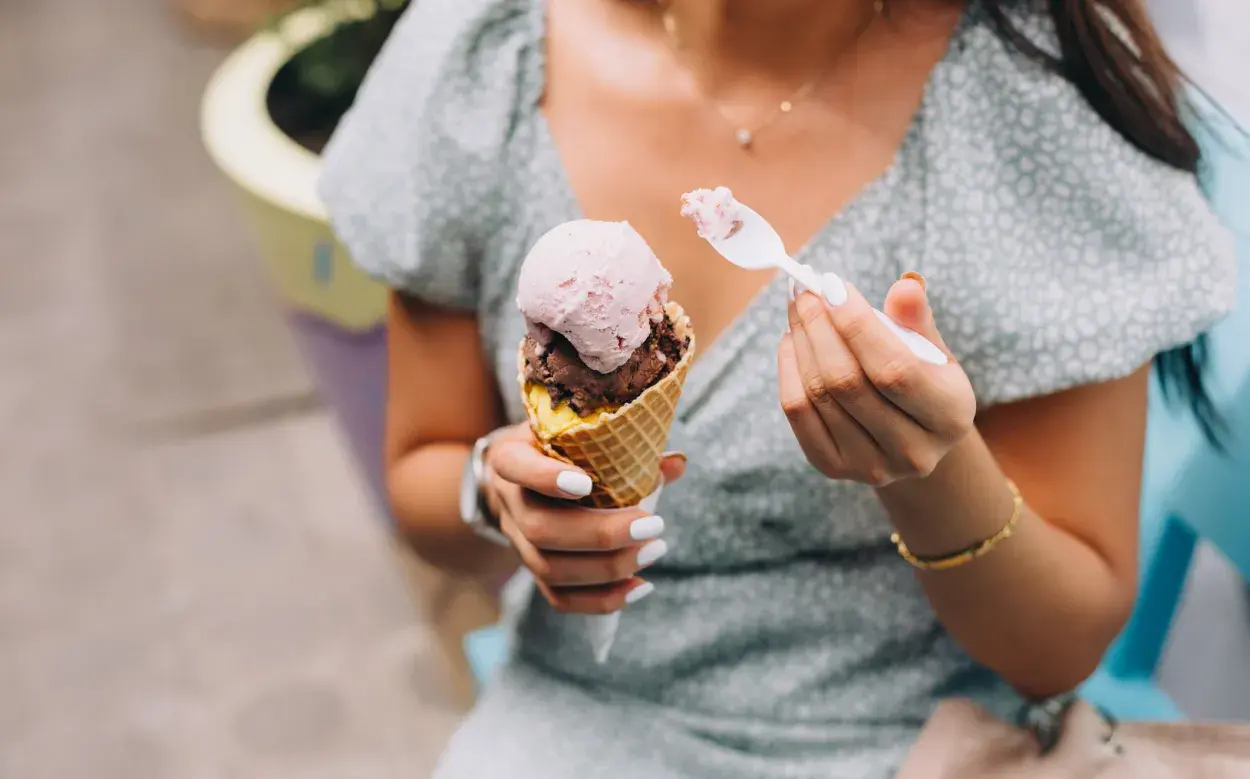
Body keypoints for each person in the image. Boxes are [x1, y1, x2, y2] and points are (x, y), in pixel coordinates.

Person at [319, 0, 1236, 775]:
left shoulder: (1034, 100)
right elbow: (422, 471)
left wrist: (929, 468)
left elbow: (1056, 650)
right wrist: (496, 492)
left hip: (911, 733)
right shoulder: (484, 53)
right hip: (577, 708)